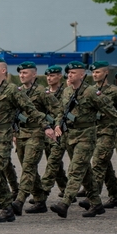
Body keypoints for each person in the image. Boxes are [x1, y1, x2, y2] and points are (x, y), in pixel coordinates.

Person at [0, 60, 54, 223]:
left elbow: (30, 109)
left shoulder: (12, 90)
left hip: (2, 137)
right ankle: (7, 209)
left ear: (4, 71)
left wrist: (46, 126)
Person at [50, 61, 117, 218]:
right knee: (86, 172)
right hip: (70, 136)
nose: (70, 75)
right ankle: (96, 204)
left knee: (75, 169)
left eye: (73, 73)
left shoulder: (91, 92)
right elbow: (60, 112)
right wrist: (57, 125)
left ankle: (65, 203)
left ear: (82, 75)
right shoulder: (67, 92)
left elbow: (111, 111)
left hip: (87, 135)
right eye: (68, 73)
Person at [9, 62, 61, 215]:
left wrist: (50, 125)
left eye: (25, 73)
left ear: (34, 74)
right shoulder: (17, 91)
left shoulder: (41, 92)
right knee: (30, 170)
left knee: (28, 167)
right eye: (20, 73)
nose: (22, 75)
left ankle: (19, 200)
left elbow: (58, 110)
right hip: (20, 134)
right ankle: (39, 200)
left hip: (36, 134)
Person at [84, 61, 117, 208]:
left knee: (98, 163)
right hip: (94, 131)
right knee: (105, 166)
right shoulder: (90, 90)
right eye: (93, 72)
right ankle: (115, 196)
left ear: (106, 73)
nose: (94, 75)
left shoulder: (114, 91)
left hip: (108, 131)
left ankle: (92, 198)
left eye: (98, 72)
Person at [39, 65, 69, 200]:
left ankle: (43, 192)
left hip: (62, 131)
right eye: (47, 76)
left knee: (53, 162)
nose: (49, 78)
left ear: (59, 76)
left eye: (52, 75)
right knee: (54, 162)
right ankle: (66, 189)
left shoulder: (65, 92)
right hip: (47, 132)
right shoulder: (45, 92)